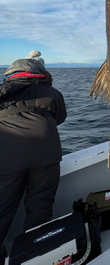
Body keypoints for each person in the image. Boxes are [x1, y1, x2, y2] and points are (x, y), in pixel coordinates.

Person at [0, 51, 67, 248]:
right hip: (45, 153)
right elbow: (60, 118)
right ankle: (31, 256)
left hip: (6, 156)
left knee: (2, 209)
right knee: (40, 207)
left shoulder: (3, 90)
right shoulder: (51, 93)